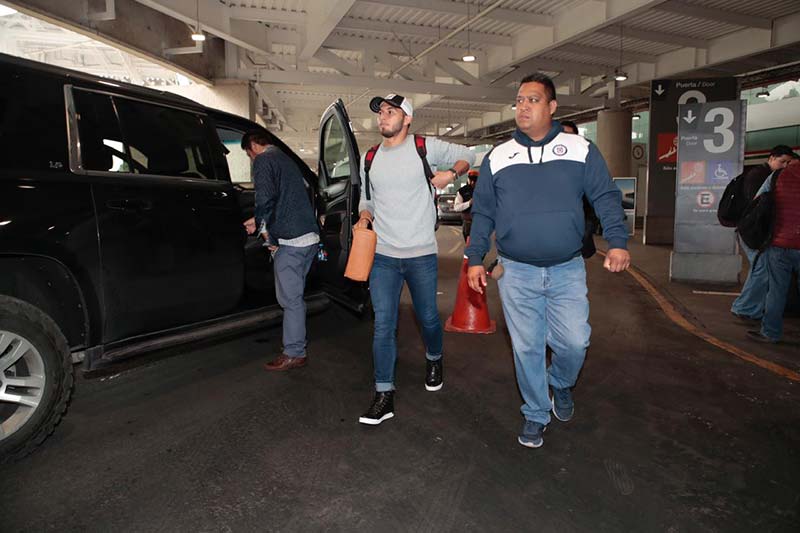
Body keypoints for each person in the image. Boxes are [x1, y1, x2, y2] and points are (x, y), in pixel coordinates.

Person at [465, 73, 630, 449]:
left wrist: (618, 242)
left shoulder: (579, 149)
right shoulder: (499, 155)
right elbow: (484, 212)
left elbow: (605, 196)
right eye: (519, 100)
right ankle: (536, 413)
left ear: (552, 107)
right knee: (526, 348)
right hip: (516, 271)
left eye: (533, 100)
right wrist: (475, 257)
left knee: (574, 342)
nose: (523, 106)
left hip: (566, 269)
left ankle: (560, 383)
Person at [355, 93, 475, 425]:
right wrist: (364, 217)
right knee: (383, 326)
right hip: (383, 256)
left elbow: (469, 154)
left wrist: (450, 174)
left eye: (391, 112)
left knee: (428, 318)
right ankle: (383, 394)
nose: (383, 117)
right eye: (380, 112)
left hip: (421, 253)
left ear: (407, 119)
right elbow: (367, 198)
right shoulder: (370, 157)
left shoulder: (425, 146)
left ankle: (434, 357)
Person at [241, 130, 320, 371]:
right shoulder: (286, 159)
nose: (251, 158)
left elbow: (264, 198)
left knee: (290, 299)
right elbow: (288, 198)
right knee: (295, 296)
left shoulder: (264, 160)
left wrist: (266, 235)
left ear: (253, 146)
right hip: (309, 237)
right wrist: (259, 221)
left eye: (248, 154)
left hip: (292, 241)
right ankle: (295, 347)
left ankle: (295, 352)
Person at [731, 145, 796, 320]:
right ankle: (745, 308)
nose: (785, 166)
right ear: (771, 158)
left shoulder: (769, 176)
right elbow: (760, 206)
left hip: (756, 230)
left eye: (788, 163)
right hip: (753, 231)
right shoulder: (760, 176)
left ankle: (749, 307)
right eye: (782, 161)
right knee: (762, 270)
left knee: (761, 270)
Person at [747, 156, 800, 343]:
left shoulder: (777, 176)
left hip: (779, 243)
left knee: (776, 290)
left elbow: (758, 201)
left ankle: (770, 332)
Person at [559, 120, 601, 258]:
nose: (566, 138)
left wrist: (587, 228)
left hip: (579, 232)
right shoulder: (546, 161)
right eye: (562, 134)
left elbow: (599, 194)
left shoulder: (585, 160)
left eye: (570, 134)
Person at [453, 170, 478, 242]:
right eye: (471, 180)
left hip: (481, 222)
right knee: (471, 246)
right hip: (468, 223)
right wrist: (469, 203)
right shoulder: (462, 191)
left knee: (482, 248)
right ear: (468, 179)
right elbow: (456, 208)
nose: (473, 182)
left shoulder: (484, 190)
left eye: (475, 180)